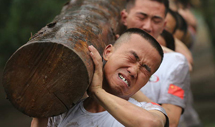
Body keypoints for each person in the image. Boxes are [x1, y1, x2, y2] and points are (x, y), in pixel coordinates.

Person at [31, 28, 169, 127]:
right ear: (108, 52)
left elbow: (150, 124)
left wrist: (97, 91)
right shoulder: (65, 110)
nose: (133, 71)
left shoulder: (150, 111)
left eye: (145, 69)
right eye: (132, 58)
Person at [119, 0, 190, 127]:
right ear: (124, 17)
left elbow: (171, 121)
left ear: (164, 25)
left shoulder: (176, 62)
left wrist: (123, 82)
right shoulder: (106, 49)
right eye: (141, 17)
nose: (147, 26)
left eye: (156, 20)